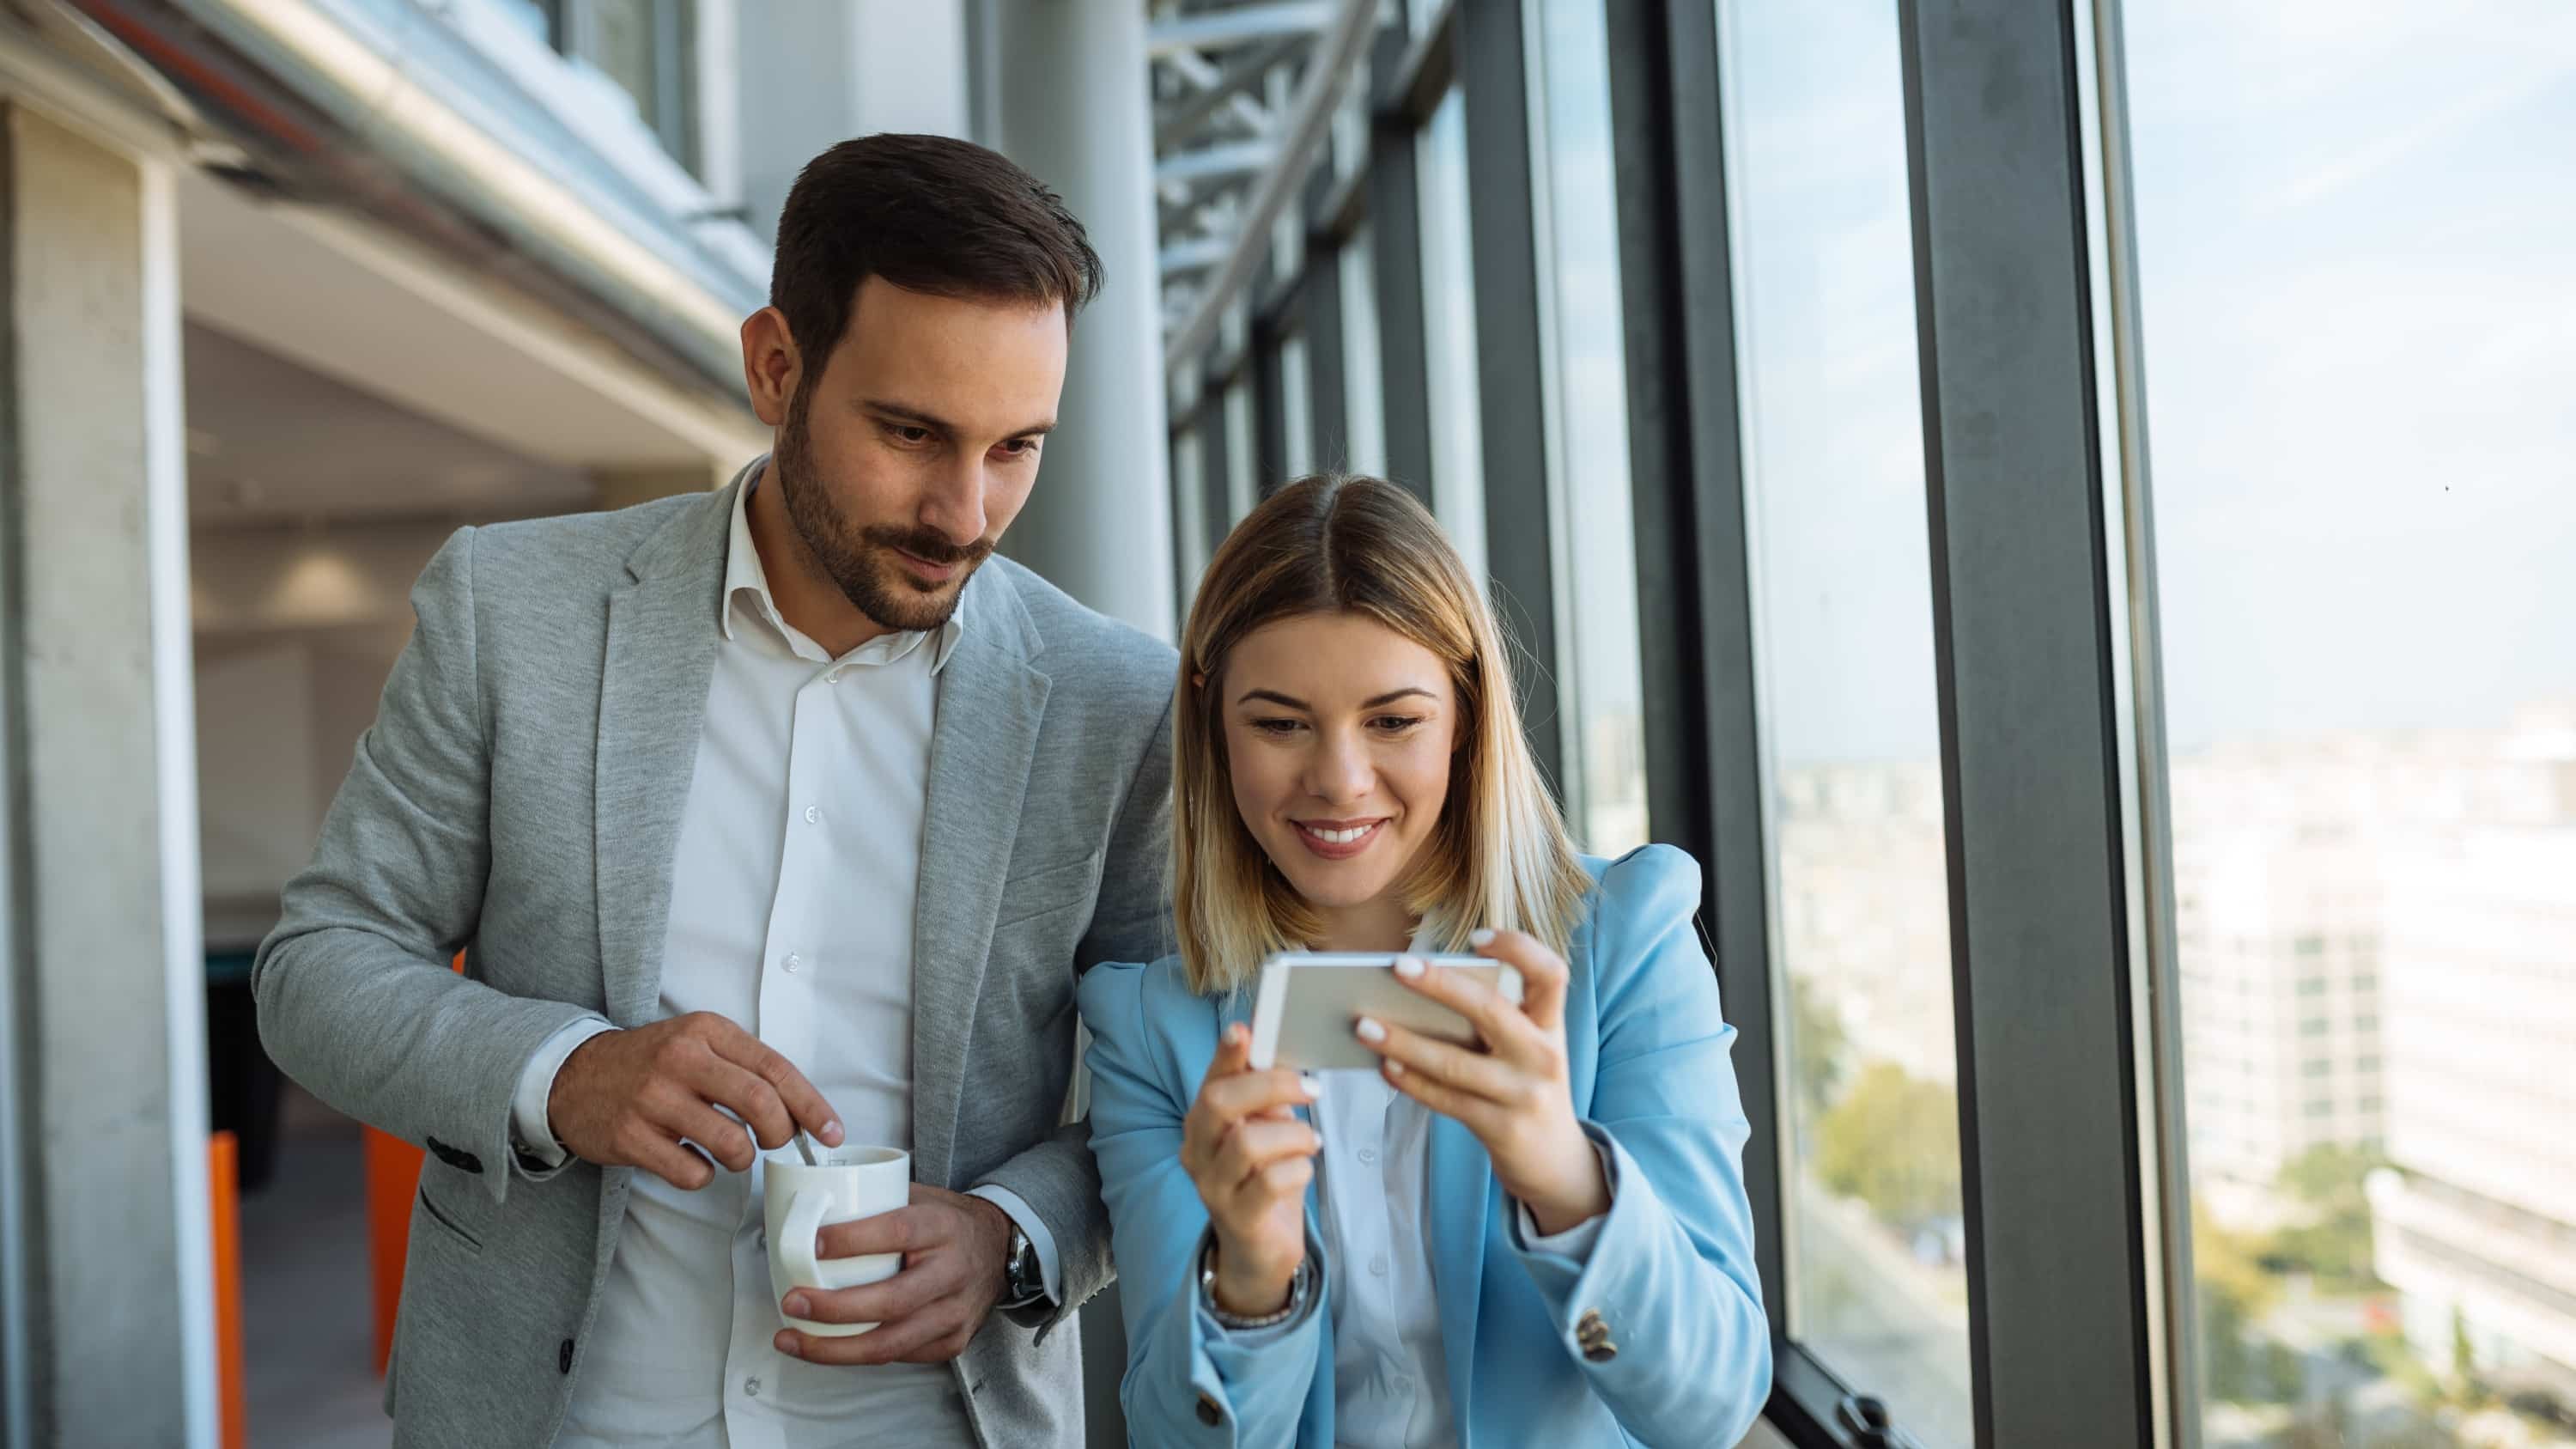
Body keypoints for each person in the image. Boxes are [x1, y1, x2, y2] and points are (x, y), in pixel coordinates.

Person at [252, 134, 1173, 1448]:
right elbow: (319, 966)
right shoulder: (512, 611)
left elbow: (1169, 1083)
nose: (965, 511)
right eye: (912, 432)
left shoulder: (1118, 702)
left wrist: (1013, 1233)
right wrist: (561, 1073)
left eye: (1016, 446)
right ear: (776, 366)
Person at [1078, 476, 1771, 1447]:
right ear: (1211, 722)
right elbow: (1169, 1434)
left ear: (1467, 715)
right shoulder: (1152, 1025)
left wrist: (1568, 1180)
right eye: (1278, 723)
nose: (1339, 780)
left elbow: (1713, 1405)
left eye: (1394, 721)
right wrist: (1251, 1277)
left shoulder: (1623, 942)